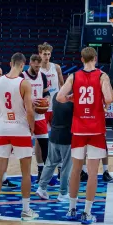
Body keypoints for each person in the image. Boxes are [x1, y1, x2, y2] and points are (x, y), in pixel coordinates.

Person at [57, 47, 113, 225]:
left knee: (75, 170)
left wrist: (72, 98)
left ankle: (71, 209)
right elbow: (109, 98)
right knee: (92, 174)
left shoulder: (74, 76)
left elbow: (59, 97)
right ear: (95, 59)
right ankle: (86, 213)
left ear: (82, 59)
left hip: (79, 129)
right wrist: (103, 102)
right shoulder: (102, 76)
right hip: (96, 129)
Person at [0, 53, 38, 222]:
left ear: (10, 63)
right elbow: (30, 111)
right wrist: (31, 127)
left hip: (3, 130)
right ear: (23, 65)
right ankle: (25, 210)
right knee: (26, 172)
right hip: (21, 129)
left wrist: (4, 115)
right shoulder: (24, 83)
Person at [36, 84, 74, 202]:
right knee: (67, 166)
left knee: (50, 163)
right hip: (67, 136)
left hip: (54, 134)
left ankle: (41, 188)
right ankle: (63, 193)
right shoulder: (73, 101)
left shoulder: (56, 96)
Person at [38, 42, 66, 186]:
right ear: (40, 54)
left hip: (55, 107)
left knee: (58, 139)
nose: (47, 56)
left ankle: (60, 168)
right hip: (42, 108)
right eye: (44, 54)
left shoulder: (56, 67)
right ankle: (40, 168)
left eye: (49, 54)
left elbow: (62, 86)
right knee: (40, 139)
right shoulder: (36, 69)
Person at [23, 54, 51, 181]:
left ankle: (43, 173)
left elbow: (47, 93)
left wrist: (47, 100)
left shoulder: (43, 76)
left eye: (39, 66)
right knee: (25, 148)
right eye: (36, 66)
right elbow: (17, 97)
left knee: (45, 145)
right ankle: (27, 174)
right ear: (30, 63)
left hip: (40, 117)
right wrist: (30, 102)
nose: (38, 68)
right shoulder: (21, 77)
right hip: (25, 118)